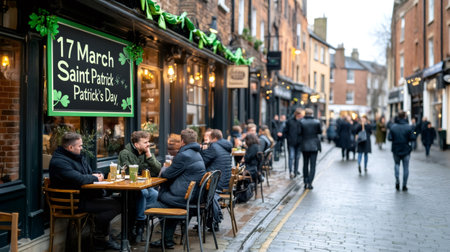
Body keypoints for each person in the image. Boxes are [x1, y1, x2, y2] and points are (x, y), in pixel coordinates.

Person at [49, 132, 121, 250]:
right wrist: (95, 178)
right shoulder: (59, 162)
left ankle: (101, 236)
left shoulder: (76, 157)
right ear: (70, 147)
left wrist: (98, 174)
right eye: (80, 146)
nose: (82, 148)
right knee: (116, 205)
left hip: (85, 196)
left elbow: (88, 173)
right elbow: (80, 179)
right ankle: (100, 238)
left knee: (119, 200)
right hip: (73, 202)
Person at [149, 128, 206, 249]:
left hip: (181, 199)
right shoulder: (196, 154)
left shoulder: (184, 155)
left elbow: (167, 175)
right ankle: (167, 240)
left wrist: (164, 168)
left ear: (183, 142)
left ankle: (138, 235)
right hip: (190, 197)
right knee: (162, 201)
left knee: (149, 204)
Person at [118, 130, 162, 242]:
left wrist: (149, 155)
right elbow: (127, 174)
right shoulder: (125, 153)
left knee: (156, 195)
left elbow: (158, 170)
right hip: (129, 188)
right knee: (143, 194)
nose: (148, 144)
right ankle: (139, 228)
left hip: (144, 185)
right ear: (136, 144)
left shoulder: (146, 152)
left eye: (148, 141)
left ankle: (141, 223)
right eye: (145, 142)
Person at [388, 111, 416, 191]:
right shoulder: (409, 127)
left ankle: (397, 180)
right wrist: (414, 131)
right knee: (406, 167)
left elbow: (389, 138)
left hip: (396, 149)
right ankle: (404, 185)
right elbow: (413, 136)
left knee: (396, 164)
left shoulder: (393, 127)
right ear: (405, 117)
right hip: (406, 149)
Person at [299, 108, 322, 190]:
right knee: (313, 165)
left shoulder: (301, 122)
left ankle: (305, 181)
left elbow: (299, 133)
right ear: (312, 114)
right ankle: (310, 182)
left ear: (305, 113)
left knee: (305, 164)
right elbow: (320, 132)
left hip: (304, 145)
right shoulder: (316, 122)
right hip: (314, 146)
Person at [282, 108, 303, 179]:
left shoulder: (302, 122)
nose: (301, 116)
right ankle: (291, 171)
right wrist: (284, 136)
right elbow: (285, 130)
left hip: (299, 143)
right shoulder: (289, 121)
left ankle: (295, 171)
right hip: (291, 142)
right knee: (291, 157)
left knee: (297, 158)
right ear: (297, 114)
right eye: (300, 115)